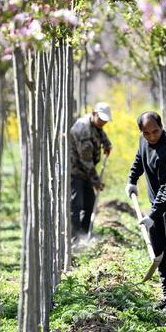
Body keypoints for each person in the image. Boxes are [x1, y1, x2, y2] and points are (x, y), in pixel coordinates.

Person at [125, 111, 166, 316]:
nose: (152, 136)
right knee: (159, 251)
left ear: (161, 127)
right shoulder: (144, 141)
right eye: (147, 133)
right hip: (158, 204)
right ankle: (165, 294)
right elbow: (139, 158)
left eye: (155, 131)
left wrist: (152, 215)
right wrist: (132, 180)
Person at [70, 102, 113, 240]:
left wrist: (107, 144)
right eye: (101, 120)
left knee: (90, 204)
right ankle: (75, 238)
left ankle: (85, 235)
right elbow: (86, 161)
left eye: (105, 121)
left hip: (87, 172)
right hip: (75, 171)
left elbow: (100, 132)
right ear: (94, 114)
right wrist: (96, 181)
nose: (103, 123)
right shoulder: (83, 129)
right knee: (76, 206)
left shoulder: (95, 123)